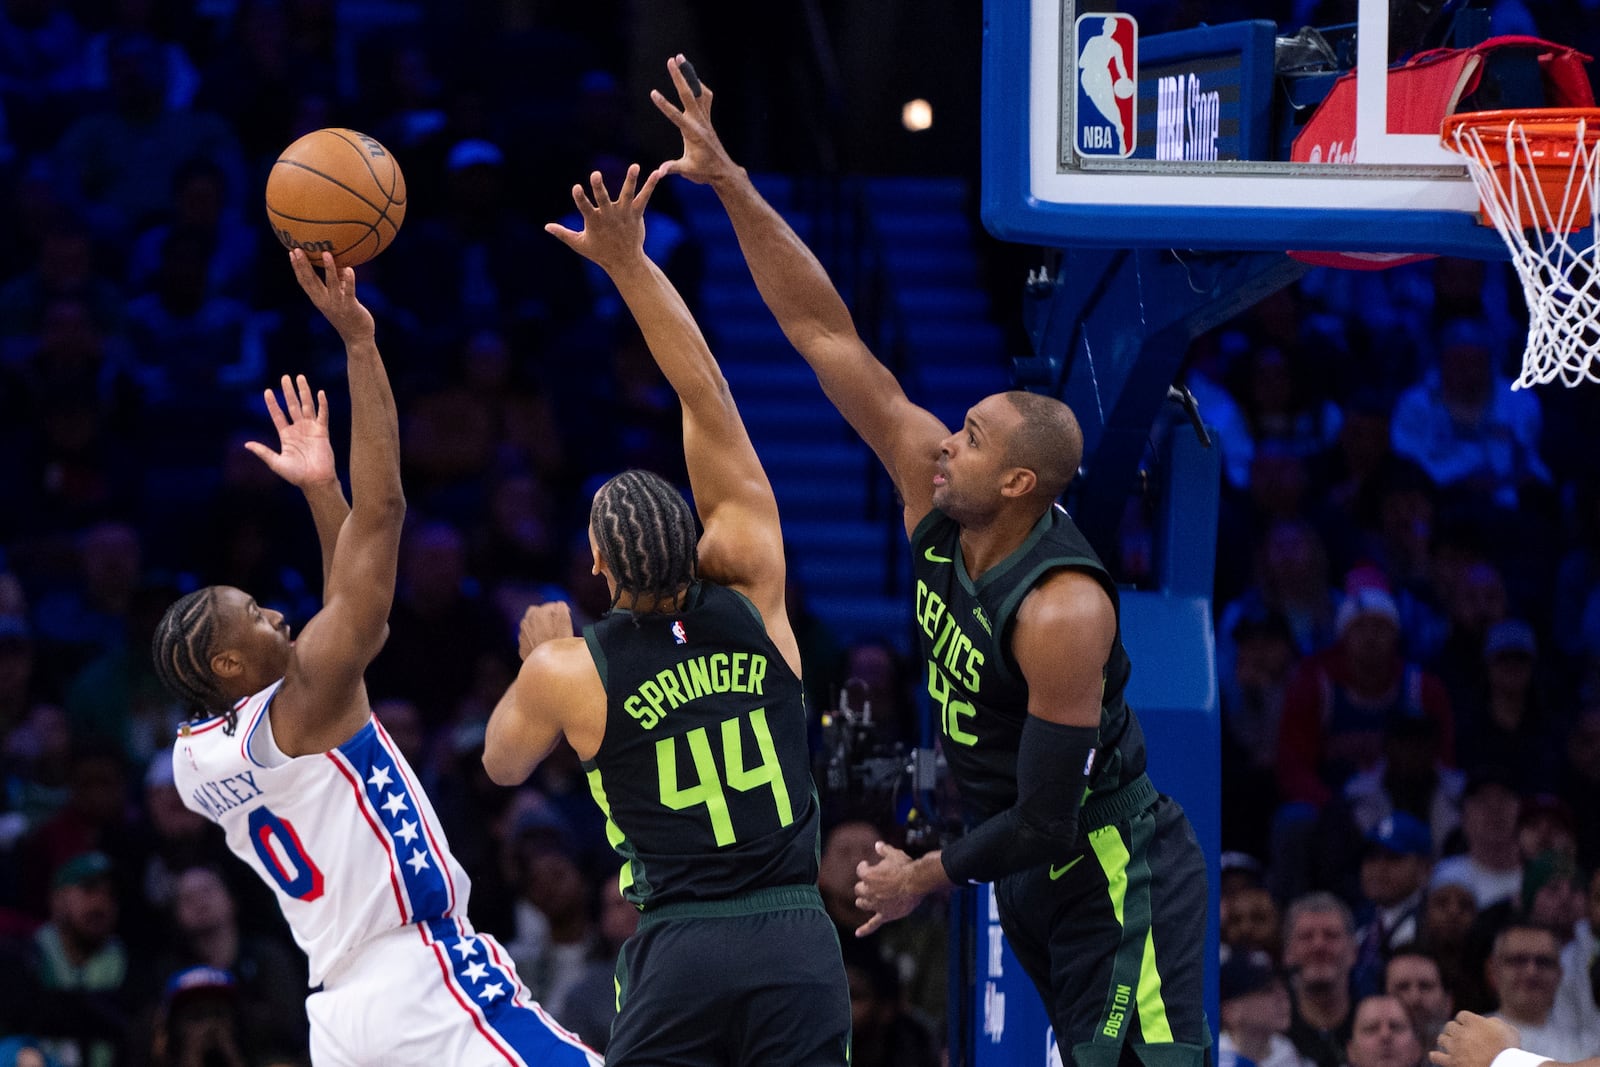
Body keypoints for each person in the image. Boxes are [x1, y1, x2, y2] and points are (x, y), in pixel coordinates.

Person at [650, 54, 1209, 1067]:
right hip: (1029, 861)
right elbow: (825, 332)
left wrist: (924, 874)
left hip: (1108, 864)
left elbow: (1045, 814)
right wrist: (731, 182)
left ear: (1018, 486)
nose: (946, 439)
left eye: (975, 436)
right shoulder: (932, 490)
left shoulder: (1061, 607)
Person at [150, 250, 600, 1067]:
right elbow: (384, 523)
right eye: (253, 614)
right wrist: (360, 342)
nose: (276, 612)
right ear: (224, 664)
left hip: (343, 1015)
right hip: (422, 978)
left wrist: (322, 492)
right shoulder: (303, 702)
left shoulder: (194, 758)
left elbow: (352, 635)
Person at [479, 165, 850, 1066]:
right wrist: (632, 266)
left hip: (681, 941)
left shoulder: (572, 670)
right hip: (798, 933)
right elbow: (707, 395)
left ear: (597, 562)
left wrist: (546, 654)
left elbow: (499, 764)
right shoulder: (756, 587)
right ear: (695, 541)